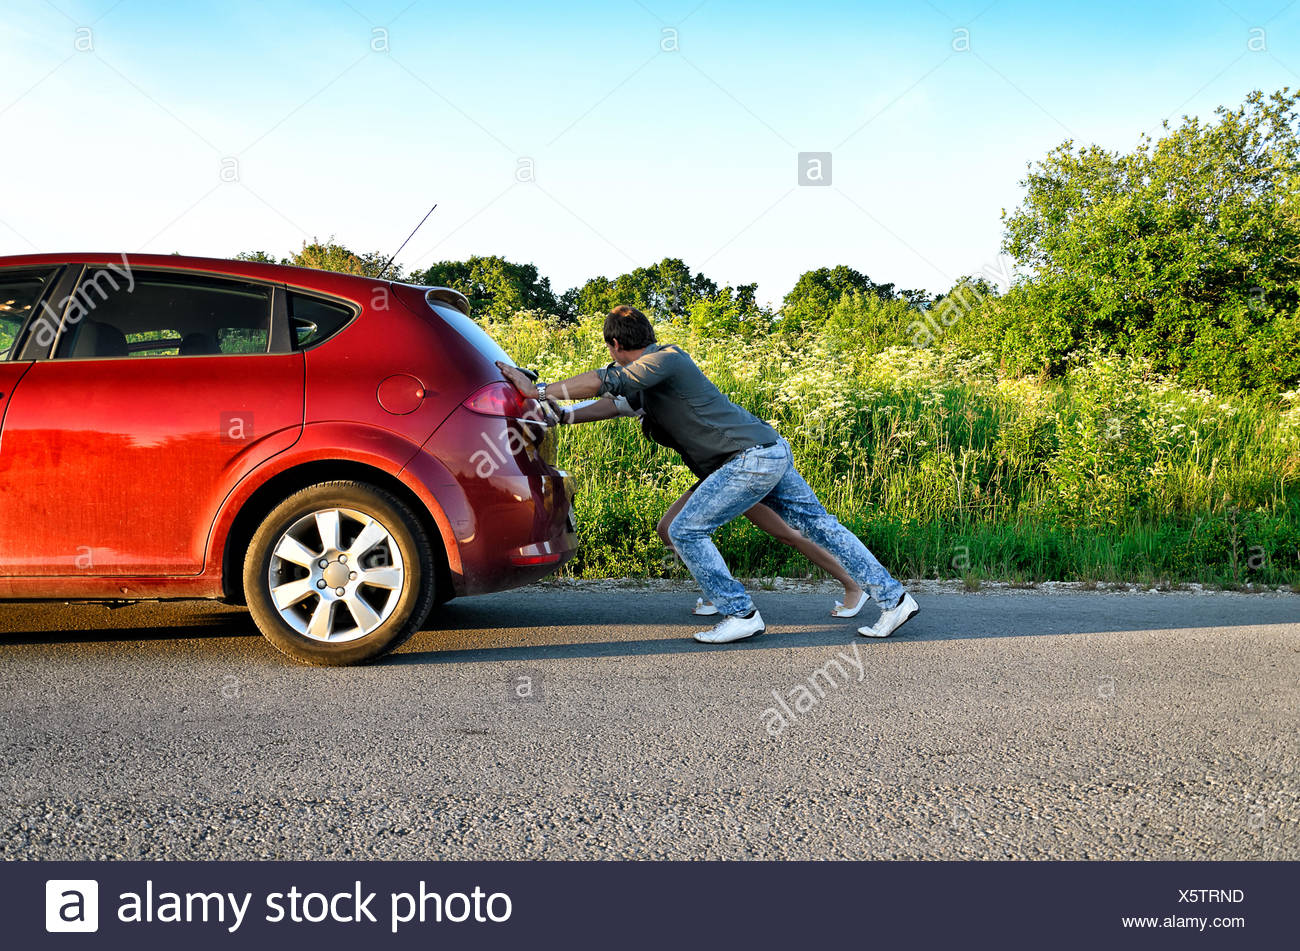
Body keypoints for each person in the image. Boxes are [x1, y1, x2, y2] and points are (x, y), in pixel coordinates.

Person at [495, 305, 918, 644]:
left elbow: (606, 384)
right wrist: (562, 416)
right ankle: (894, 599)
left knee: (686, 530)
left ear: (615, 344)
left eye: (610, 350)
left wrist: (539, 390)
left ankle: (740, 614)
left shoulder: (667, 359)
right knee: (820, 526)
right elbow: (616, 404)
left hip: (749, 459)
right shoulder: (651, 376)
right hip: (765, 452)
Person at [584, 391, 870, 619]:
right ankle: (717, 592)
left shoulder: (670, 400)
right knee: (669, 528)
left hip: (740, 472)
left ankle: (852, 584)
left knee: (787, 534)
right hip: (716, 475)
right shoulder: (647, 403)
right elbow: (606, 403)